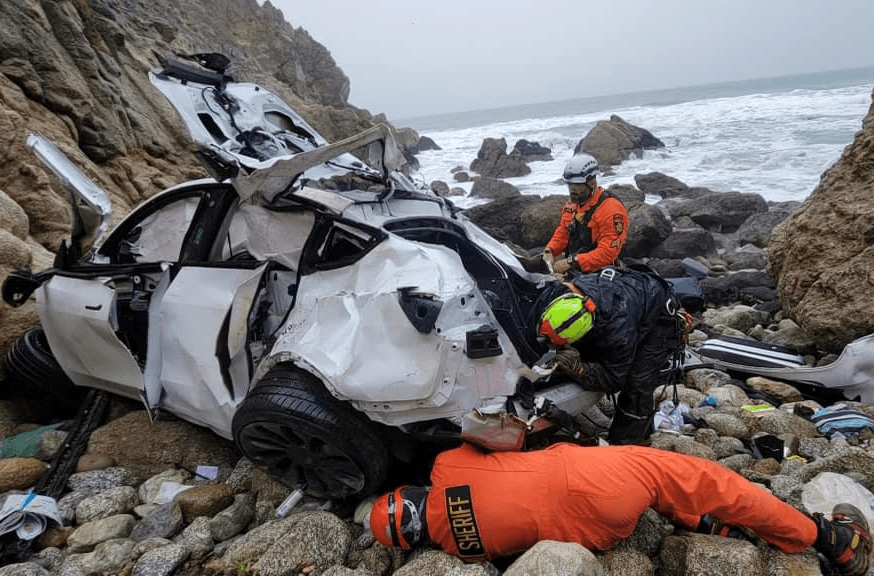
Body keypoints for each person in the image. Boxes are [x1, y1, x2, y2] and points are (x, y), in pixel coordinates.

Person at [368, 442, 871, 576]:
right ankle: (833, 541)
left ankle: (707, 526)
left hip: (603, 533)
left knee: (656, 491)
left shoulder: (462, 549)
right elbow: (505, 436)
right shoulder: (447, 465)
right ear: (410, 493)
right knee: (709, 480)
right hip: (594, 479)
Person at [531, 266, 683, 445]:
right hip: (625, 293)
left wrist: (580, 369)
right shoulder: (554, 295)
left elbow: (614, 379)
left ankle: (626, 444)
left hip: (657, 316)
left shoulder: (618, 333)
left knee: (637, 385)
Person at [543, 154, 629, 276]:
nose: (572, 191)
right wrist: (550, 251)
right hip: (575, 264)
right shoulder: (573, 204)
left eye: (577, 187)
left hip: (601, 271)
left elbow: (607, 254)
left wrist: (571, 262)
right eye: (570, 186)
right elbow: (563, 231)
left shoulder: (611, 209)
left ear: (592, 184)